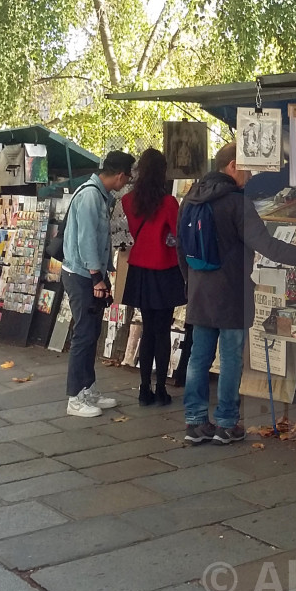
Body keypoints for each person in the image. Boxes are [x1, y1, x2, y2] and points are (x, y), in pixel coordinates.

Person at [178, 142, 296, 444]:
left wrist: (190, 284)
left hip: (199, 290)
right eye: (248, 170)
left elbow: (181, 250)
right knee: (231, 356)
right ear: (233, 165)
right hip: (232, 291)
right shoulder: (236, 202)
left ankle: (195, 422)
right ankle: (226, 423)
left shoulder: (190, 200)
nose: (250, 178)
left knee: (199, 357)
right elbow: (267, 245)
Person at [62, 150, 135, 418]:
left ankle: (88, 388)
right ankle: (74, 396)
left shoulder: (97, 194)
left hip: (88, 273)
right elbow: (86, 240)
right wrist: (97, 278)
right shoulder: (91, 196)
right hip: (82, 275)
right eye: (126, 178)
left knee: (91, 333)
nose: (125, 183)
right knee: (84, 334)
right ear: (119, 175)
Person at [121, 149, 188, 407]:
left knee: (148, 329)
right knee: (163, 330)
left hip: (140, 270)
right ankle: (161, 388)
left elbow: (135, 232)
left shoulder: (128, 201)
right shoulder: (170, 203)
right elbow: (177, 236)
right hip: (165, 269)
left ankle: (143, 389)